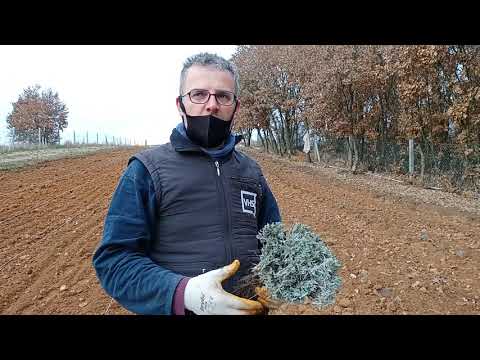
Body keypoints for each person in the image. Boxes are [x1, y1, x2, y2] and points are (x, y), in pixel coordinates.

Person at [92, 52, 281, 315]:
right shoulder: (146, 170)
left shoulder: (251, 172)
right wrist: (183, 293)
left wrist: (279, 278)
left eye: (223, 96)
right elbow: (115, 261)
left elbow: (273, 244)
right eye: (199, 94)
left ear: (235, 107)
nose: (212, 105)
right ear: (180, 104)